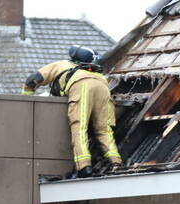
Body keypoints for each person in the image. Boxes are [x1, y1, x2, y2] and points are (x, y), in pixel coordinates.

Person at [22, 45, 122, 177]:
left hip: (82, 86)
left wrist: (24, 99)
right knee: (103, 129)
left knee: (79, 127)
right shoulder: (96, 73)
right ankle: (116, 162)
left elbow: (33, 79)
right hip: (103, 86)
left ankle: (84, 166)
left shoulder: (62, 64)